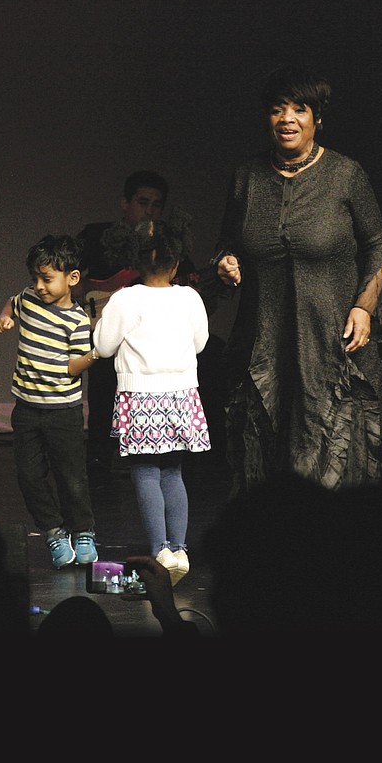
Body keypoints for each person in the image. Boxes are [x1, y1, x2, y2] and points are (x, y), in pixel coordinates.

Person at [212, 64, 382, 493]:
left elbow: (377, 243)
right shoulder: (247, 176)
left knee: (339, 448)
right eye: (278, 109)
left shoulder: (345, 174)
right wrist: (226, 261)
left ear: (317, 118)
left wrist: (364, 306)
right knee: (266, 449)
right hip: (266, 341)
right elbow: (228, 242)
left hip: (333, 337)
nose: (288, 119)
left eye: (300, 109)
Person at [92, 214, 211, 585]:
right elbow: (201, 343)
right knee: (173, 472)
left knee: (145, 472)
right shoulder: (189, 297)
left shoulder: (125, 300)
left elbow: (103, 346)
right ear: (177, 262)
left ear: (133, 262)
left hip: (141, 397)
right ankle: (180, 549)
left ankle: (160, 548)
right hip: (180, 396)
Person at [77, 170, 200, 475]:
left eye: (156, 204)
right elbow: (72, 280)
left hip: (150, 342)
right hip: (107, 328)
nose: (149, 210)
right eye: (143, 202)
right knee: (104, 377)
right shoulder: (96, 236)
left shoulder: (169, 246)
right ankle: (99, 457)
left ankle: (171, 451)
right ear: (125, 203)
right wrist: (95, 291)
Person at [0, 234, 99, 569]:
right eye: (35, 278)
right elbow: (13, 301)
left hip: (63, 413)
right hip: (26, 410)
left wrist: (95, 354)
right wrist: (5, 316)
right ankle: (54, 531)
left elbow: (72, 366)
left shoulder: (77, 321)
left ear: (72, 278)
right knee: (29, 475)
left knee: (71, 476)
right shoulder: (27, 298)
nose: (38, 286)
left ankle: (82, 530)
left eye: (47, 279)